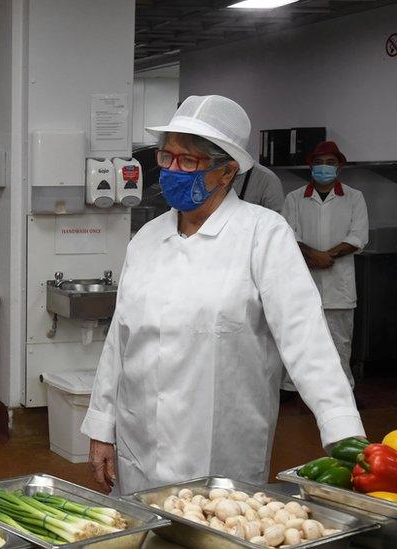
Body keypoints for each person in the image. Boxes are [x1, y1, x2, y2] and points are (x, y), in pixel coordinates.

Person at [81, 95, 364, 496]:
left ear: (227, 171)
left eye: (188, 161)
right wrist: (101, 428)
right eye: (167, 157)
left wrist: (342, 434)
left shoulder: (263, 234)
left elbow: (307, 340)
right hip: (138, 444)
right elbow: (118, 343)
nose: (172, 171)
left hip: (219, 448)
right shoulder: (147, 238)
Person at [281, 141, 368, 390]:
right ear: (311, 166)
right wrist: (313, 255)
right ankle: (293, 388)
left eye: (330, 163)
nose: (324, 168)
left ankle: (341, 391)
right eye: (319, 163)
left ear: (339, 166)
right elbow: (288, 235)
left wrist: (326, 256)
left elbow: (358, 236)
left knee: (339, 342)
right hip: (303, 282)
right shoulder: (295, 198)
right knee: (300, 339)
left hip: (339, 285)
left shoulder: (353, 197)